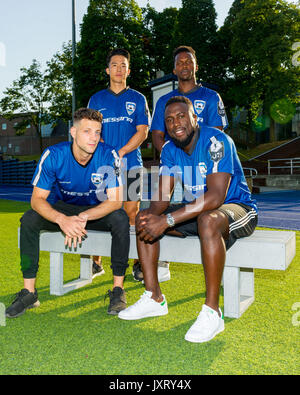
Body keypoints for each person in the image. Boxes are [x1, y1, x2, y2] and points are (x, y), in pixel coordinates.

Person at [118, 97, 258, 343]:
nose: (175, 124)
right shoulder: (170, 150)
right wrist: (153, 217)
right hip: (199, 212)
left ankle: (212, 312)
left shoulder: (216, 141)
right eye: (169, 120)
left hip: (236, 208)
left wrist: (168, 220)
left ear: (195, 118)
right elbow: (162, 198)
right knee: (144, 216)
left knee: (208, 219)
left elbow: (215, 196)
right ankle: (153, 297)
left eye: (181, 116)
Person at [6, 108, 130, 318]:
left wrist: (85, 217)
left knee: (120, 218)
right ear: (73, 132)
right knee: (29, 219)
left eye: (97, 132)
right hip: (65, 208)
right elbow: (36, 200)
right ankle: (29, 291)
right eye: (87, 131)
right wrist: (62, 219)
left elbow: (116, 201)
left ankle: (118, 289)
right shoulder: (54, 155)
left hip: (95, 210)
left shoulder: (109, 155)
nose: (93, 138)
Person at [131, 45, 229, 284]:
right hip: (178, 168)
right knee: (155, 206)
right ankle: (157, 266)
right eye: (180, 62)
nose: (185, 65)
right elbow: (157, 135)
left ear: (196, 66)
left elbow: (216, 134)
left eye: (189, 61)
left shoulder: (210, 97)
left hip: (207, 170)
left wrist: (193, 157)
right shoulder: (165, 101)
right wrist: (174, 155)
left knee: (210, 213)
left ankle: (222, 268)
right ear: (174, 69)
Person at [88, 48, 151, 281]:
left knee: (131, 213)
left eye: (123, 65)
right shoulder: (96, 99)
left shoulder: (138, 98)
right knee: (99, 210)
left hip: (132, 165)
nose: (119, 69)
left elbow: (142, 132)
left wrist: (121, 152)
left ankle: (136, 263)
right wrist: (108, 153)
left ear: (129, 70)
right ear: (107, 70)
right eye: (114, 65)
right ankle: (96, 262)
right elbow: (92, 131)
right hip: (103, 167)